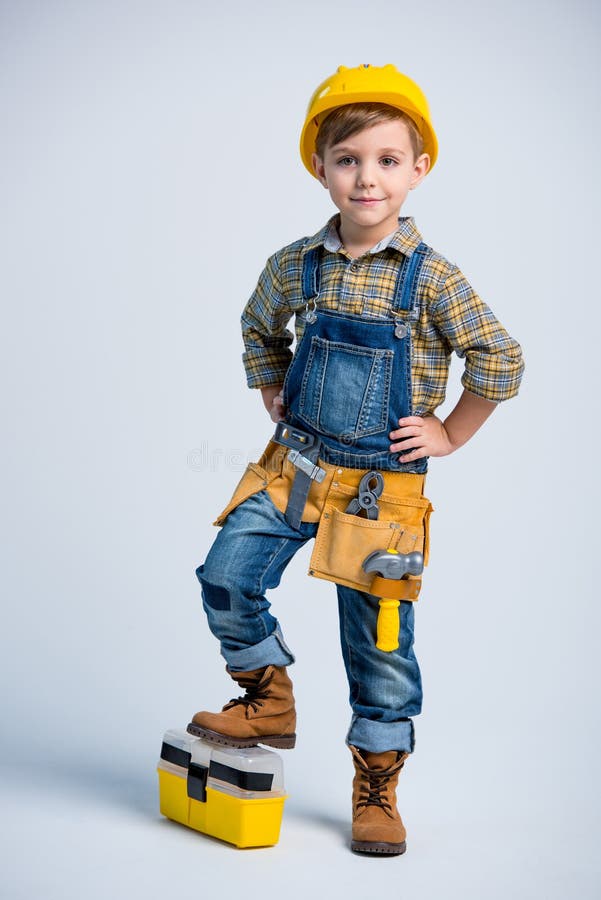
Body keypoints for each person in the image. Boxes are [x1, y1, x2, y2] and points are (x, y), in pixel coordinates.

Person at [187, 63, 524, 855]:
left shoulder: (431, 277)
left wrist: (450, 432)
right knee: (225, 574)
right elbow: (257, 326)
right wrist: (270, 386)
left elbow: (501, 361)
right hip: (293, 464)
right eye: (346, 159)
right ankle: (266, 697)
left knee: (378, 647)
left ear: (417, 169)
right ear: (320, 167)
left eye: (384, 159)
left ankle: (376, 783)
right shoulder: (295, 265)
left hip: (381, 491)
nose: (364, 177)